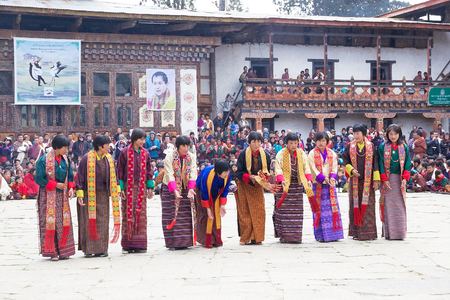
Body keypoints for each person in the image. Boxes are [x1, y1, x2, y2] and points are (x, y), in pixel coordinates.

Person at [76, 135, 122, 258]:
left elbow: (115, 176)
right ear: (100, 146)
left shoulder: (109, 158)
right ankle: (89, 249)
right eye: (107, 144)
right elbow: (80, 177)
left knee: (103, 221)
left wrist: (116, 191)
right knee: (89, 220)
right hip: (88, 193)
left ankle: (102, 249)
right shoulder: (87, 158)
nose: (109, 147)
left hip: (103, 194)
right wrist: (79, 194)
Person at [35, 134, 76, 261]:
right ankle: (51, 252)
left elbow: (69, 176)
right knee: (50, 222)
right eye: (64, 147)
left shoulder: (66, 159)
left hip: (62, 194)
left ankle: (64, 251)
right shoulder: (43, 160)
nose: (66, 150)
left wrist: (70, 187)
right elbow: (39, 179)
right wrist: (55, 184)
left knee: (63, 221)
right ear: (57, 147)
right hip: (48, 195)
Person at [117, 129, 154, 254]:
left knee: (141, 214)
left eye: (144, 139)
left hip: (141, 188)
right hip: (128, 187)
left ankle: (140, 244)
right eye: (141, 139)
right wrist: (120, 188)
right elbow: (120, 171)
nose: (143, 142)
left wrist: (150, 187)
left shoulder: (146, 153)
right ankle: (127, 245)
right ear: (134, 139)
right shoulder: (124, 152)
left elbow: (149, 170)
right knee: (127, 214)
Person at [342, 124, 380, 241]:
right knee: (355, 205)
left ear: (364, 134)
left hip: (367, 182)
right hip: (355, 181)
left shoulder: (371, 146)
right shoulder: (350, 146)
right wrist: (351, 170)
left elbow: (375, 163)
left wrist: (376, 181)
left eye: (358, 133)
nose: (356, 136)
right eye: (354, 133)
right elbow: (345, 160)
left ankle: (369, 233)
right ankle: (356, 232)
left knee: (368, 206)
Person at [273, 132, 314, 243]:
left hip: (297, 187)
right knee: (284, 213)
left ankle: (296, 237)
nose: (293, 145)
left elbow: (306, 168)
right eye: (291, 143)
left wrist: (309, 179)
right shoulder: (281, 154)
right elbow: (278, 168)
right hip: (285, 186)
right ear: (286, 143)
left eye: (295, 143)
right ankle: (285, 236)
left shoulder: (301, 154)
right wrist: (281, 179)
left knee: (297, 213)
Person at [235, 131, 274, 245]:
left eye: (258, 142)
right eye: (253, 142)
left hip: (257, 185)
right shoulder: (243, 154)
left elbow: (266, 171)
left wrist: (265, 176)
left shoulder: (265, 155)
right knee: (244, 211)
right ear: (249, 143)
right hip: (244, 184)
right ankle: (245, 237)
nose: (256, 144)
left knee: (259, 211)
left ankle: (257, 238)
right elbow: (239, 171)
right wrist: (249, 176)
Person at [161, 136, 197, 250]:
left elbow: (193, 173)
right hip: (170, 187)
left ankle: (185, 242)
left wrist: (191, 189)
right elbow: (169, 174)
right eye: (183, 146)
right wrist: (175, 191)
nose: (186, 148)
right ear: (178, 146)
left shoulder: (191, 157)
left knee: (185, 214)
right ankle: (171, 243)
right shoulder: (170, 156)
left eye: (188, 146)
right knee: (169, 214)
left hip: (185, 187)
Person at [308, 131, 344, 242]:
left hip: (330, 186)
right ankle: (320, 235)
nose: (321, 143)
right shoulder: (312, 154)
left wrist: (333, 177)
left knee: (331, 209)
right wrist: (323, 178)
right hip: (317, 185)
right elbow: (312, 168)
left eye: (323, 140)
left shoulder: (332, 154)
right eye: (318, 140)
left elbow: (334, 168)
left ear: (327, 142)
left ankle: (334, 234)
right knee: (319, 209)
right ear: (315, 141)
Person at [378, 124, 411, 240]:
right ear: (387, 135)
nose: (393, 136)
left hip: (399, 179)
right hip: (387, 179)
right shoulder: (383, 146)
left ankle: (400, 233)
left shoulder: (404, 147)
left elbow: (408, 163)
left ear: (399, 134)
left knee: (400, 205)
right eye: (391, 134)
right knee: (388, 206)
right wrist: (384, 179)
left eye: (395, 134)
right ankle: (389, 233)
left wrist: (404, 179)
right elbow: (380, 163)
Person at [194, 159, 230, 248]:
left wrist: (222, 205)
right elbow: (204, 192)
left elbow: (225, 189)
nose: (227, 174)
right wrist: (208, 208)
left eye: (227, 172)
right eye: (225, 172)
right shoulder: (207, 175)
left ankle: (216, 239)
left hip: (216, 194)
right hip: (201, 192)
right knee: (206, 215)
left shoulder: (227, 176)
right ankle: (205, 240)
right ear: (218, 172)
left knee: (216, 214)